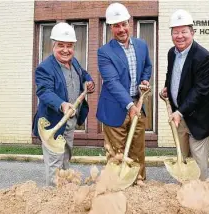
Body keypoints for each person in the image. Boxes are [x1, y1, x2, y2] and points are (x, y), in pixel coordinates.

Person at [96, 3, 152, 186]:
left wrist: (144, 80)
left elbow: (147, 67)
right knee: (116, 152)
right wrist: (129, 106)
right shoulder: (104, 52)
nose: (121, 29)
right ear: (110, 27)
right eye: (116, 25)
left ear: (130, 23)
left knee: (137, 149)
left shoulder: (142, 46)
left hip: (138, 104)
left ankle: (139, 182)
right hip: (115, 107)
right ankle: (116, 186)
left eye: (124, 24)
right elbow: (112, 82)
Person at [33, 22, 95, 186]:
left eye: (69, 46)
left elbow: (83, 74)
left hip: (69, 123)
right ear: (53, 45)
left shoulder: (73, 62)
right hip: (54, 123)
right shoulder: (45, 68)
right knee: (54, 163)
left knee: (66, 158)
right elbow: (44, 91)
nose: (65, 50)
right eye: (61, 45)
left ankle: (65, 194)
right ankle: (53, 199)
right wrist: (62, 104)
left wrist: (88, 81)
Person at [161, 9, 209, 181]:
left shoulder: (204, 57)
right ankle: (186, 190)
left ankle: (199, 196)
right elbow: (172, 75)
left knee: (198, 163)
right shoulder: (172, 53)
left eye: (184, 31)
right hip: (179, 117)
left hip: (198, 118)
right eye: (175, 32)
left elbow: (200, 90)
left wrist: (180, 111)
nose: (179, 36)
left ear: (192, 32)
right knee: (182, 158)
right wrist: (166, 89)